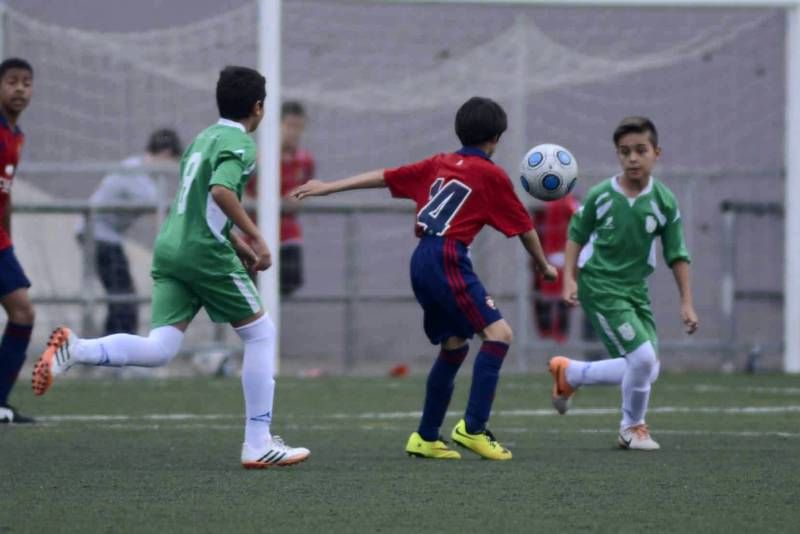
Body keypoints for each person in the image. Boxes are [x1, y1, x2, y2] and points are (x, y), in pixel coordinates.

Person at [31, 65, 310, 468]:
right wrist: (258, 238)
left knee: (161, 348)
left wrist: (237, 241)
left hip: (172, 247)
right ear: (259, 108)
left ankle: (76, 348)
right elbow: (219, 191)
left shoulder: (201, 139)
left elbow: (202, 201)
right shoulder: (242, 144)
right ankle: (258, 441)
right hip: (202, 253)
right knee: (261, 335)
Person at [292, 96, 557, 461]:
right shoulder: (492, 174)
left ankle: (426, 436)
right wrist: (544, 267)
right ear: (497, 138)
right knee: (500, 335)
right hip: (448, 257)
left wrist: (328, 186)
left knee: (454, 345)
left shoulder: (439, 163)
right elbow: (525, 229)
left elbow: (384, 176)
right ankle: (474, 429)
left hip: (421, 259)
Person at [549, 116, 699, 450]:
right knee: (643, 361)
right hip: (600, 285)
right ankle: (631, 427)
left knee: (648, 369)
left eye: (640, 150)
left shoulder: (664, 201)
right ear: (618, 155)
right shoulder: (603, 195)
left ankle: (570, 374)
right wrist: (569, 279)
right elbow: (576, 235)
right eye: (624, 152)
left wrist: (686, 302)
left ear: (656, 153)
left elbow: (677, 254)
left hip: (634, 291)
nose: (632, 158)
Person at [76, 128, 182, 335]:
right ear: (165, 154)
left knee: (121, 295)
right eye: (172, 162)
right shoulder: (137, 176)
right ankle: (117, 353)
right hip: (98, 236)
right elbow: (160, 216)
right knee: (123, 297)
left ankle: (111, 350)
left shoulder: (138, 172)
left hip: (103, 236)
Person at [245, 101, 314, 296]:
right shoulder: (255, 158)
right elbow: (236, 191)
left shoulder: (305, 160)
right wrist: (257, 201)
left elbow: (306, 190)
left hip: (288, 236)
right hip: (255, 238)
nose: (295, 132)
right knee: (252, 295)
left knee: (287, 287)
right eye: (290, 126)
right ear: (277, 125)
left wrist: (298, 198)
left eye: (299, 127)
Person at [0, 58, 35, 424]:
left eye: (26, 82)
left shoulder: (16, 135)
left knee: (22, 312)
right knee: (23, 312)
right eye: (12, 81)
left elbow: (5, 197)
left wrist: (8, 240)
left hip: (0, 241)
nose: (20, 89)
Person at [530, 194, 579, 343]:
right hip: (546, 257)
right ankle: (546, 330)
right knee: (543, 295)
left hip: (562, 256)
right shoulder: (541, 207)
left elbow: (576, 217)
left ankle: (559, 332)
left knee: (564, 296)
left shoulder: (570, 204)